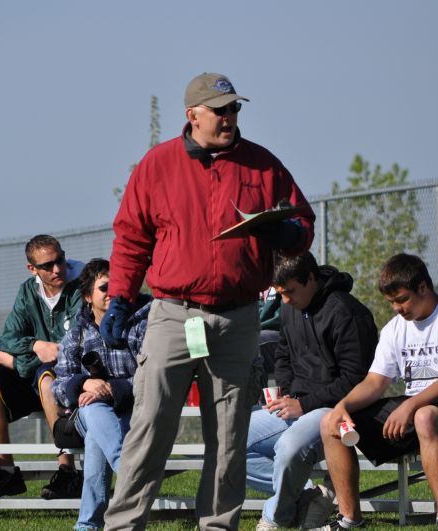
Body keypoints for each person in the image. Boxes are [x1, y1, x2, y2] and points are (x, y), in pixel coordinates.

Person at [100, 72, 316, 530]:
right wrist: (119, 297)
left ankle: (217, 527)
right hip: (173, 316)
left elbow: (302, 222)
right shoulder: (157, 166)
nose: (229, 118)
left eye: (235, 109)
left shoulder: (262, 164)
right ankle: (123, 526)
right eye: (220, 110)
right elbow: (131, 239)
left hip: (238, 321)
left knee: (231, 438)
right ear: (192, 115)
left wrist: (290, 233)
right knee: (149, 430)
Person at [319, 253, 438, 531]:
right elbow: (375, 382)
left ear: (423, 288)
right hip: (416, 409)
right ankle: (350, 520)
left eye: (402, 299)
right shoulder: (394, 330)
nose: (397, 308)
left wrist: (410, 406)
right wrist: (343, 406)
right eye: (391, 302)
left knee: (425, 415)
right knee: (331, 422)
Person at [246, 252, 378, 530]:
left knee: (289, 448)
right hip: (299, 404)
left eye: (290, 292)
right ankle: (309, 495)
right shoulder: (290, 307)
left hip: (338, 410)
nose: (285, 301)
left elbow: (356, 379)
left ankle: (276, 517)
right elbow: (283, 355)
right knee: (228, 440)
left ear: (311, 279)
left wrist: (305, 404)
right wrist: (288, 393)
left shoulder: (347, 312)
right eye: (280, 294)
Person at [0, 235, 85, 502]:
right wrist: (35, 346)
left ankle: (68, 472)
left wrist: (17, 360)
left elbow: (70, 350)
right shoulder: (27, 291)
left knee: (48, 377)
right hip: (32, 376)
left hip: (71, 381)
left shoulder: (82, 285)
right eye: (48, 265)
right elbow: (3, 343)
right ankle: (5, 470)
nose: (57, 269)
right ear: (32, 269)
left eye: (60, 260)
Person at [51, 259, 151, 531]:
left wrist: (112, 389)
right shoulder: (77, 333)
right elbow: (58, 387)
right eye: (104, 288)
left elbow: (151, 377)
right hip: (88, 412)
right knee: (94, 412)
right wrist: (83, 384)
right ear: (87, 296)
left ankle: (87, 525)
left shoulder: (139, 323)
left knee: (97, 435)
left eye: (116, 287)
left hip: (132, 411)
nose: (111, 293)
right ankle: (129, 473)